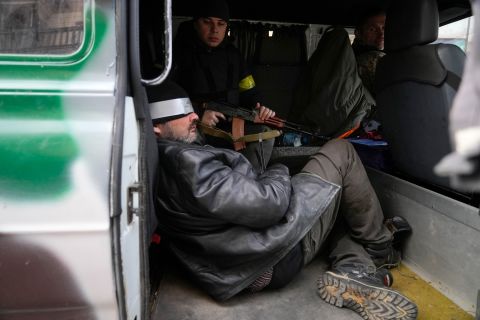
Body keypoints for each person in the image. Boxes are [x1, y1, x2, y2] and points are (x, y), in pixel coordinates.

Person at [149, 81, 418, 320]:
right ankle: (381, 247)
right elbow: (269, 206)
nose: (194, 115)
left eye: (190, 109)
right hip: (269, 257)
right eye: (181, 113)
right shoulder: (185, 162)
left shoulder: (162, 159)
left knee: (330, 199)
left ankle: (354, 269)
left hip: (243, 261)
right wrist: (278, 170)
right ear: (156, 127)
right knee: (341, 150)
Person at [169, 0, 277, 173]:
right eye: (207, 22)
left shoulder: (233, 56)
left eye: (221, 24)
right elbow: (167, 97)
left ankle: (249, 185)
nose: (215, 30)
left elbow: (249, 89)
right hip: (193, 127)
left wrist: (260, 107)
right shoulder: (178, 55)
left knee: (265, 133)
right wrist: (197, 114)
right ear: (195, 24)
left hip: (230, 125)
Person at [351, 9, 387, 97]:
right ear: (358, 33)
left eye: (384, 28)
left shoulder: (353, 54)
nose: (381, 34)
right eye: (372, 29)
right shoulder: (374, 59)